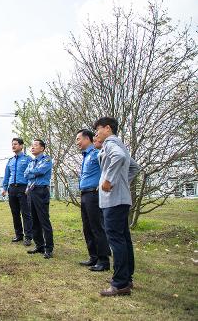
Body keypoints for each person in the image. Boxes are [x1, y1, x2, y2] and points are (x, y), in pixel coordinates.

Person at [94, 117, 140, 297]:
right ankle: (126, 278)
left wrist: (109, 181)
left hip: (113, 201)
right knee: (124, 239)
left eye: (97, 130)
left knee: (116, 240)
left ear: (107, 128)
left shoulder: (111, 143)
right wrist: (122, 183)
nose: (96, 134)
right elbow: (135, 167)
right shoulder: (120, 144)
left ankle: (120, 283)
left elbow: (119, 158)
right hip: (121, 199)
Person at [76, 129, 111, 271]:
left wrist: (102, 184)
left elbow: (108, 169)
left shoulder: (97, 153)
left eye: (79, 139)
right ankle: (93, 257)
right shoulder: (86, 156)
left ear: (87, 139)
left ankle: (104, 261)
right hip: (84, 195)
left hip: (93, 195)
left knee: (97, 227)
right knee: (87, 227)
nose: (77, 142)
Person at [25, 139, 54, 259]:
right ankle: (39, 245)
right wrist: (33, 172)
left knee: (43, 220)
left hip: (41, 190)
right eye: (32, 145)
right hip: (31, 191)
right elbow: (25, 174)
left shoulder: (47, 159)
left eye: (35, 145)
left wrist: (32, 172)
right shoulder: (31, 162)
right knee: (34, 219)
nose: (32, 147)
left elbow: (41, 171)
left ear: (42, 148)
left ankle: (49, 248)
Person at [2, 138, 33, 246]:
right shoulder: (10, 160)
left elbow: (31, 174)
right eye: (12, 144)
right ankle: (18, 235)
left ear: (21, 146)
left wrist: (28, 187)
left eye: (15, 144)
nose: (13, 146)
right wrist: (4, 188)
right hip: (12, 189)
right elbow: (6, 175)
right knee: (15, 213)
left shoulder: (28, 159)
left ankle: (28, 237)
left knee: (26, 213)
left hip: (23, 188)